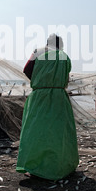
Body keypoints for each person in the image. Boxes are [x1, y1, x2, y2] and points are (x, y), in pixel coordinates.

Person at [16, 34, 79, 180]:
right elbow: (66, 77)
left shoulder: (38, 51)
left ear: (47, 43)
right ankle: (63, 166)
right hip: (59, 97)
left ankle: (35, 167)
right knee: (59, 133)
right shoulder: (64, 57)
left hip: (40, 97)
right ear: (60, 45)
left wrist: (41, 79)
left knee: (37, 132)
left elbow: (27, 70)